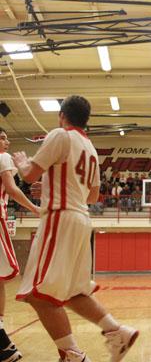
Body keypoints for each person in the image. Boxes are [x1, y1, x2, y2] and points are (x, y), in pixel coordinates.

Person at [12, 95, 138, 362]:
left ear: (62, 115)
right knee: (73, 292)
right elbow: (92, 196)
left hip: (60, 218)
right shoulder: (90, 147)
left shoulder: (60, 135)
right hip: (82, 219)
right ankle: (117, 332)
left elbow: (28, 174)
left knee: (39, 294)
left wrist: (21, 160)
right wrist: (50, 186)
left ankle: (73, 356)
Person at [0, 128, 41, 361]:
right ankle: (1, 340)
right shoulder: (3, 157)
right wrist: (35, 207)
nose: (7, 142)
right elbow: (13, 189)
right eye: (2, 138)